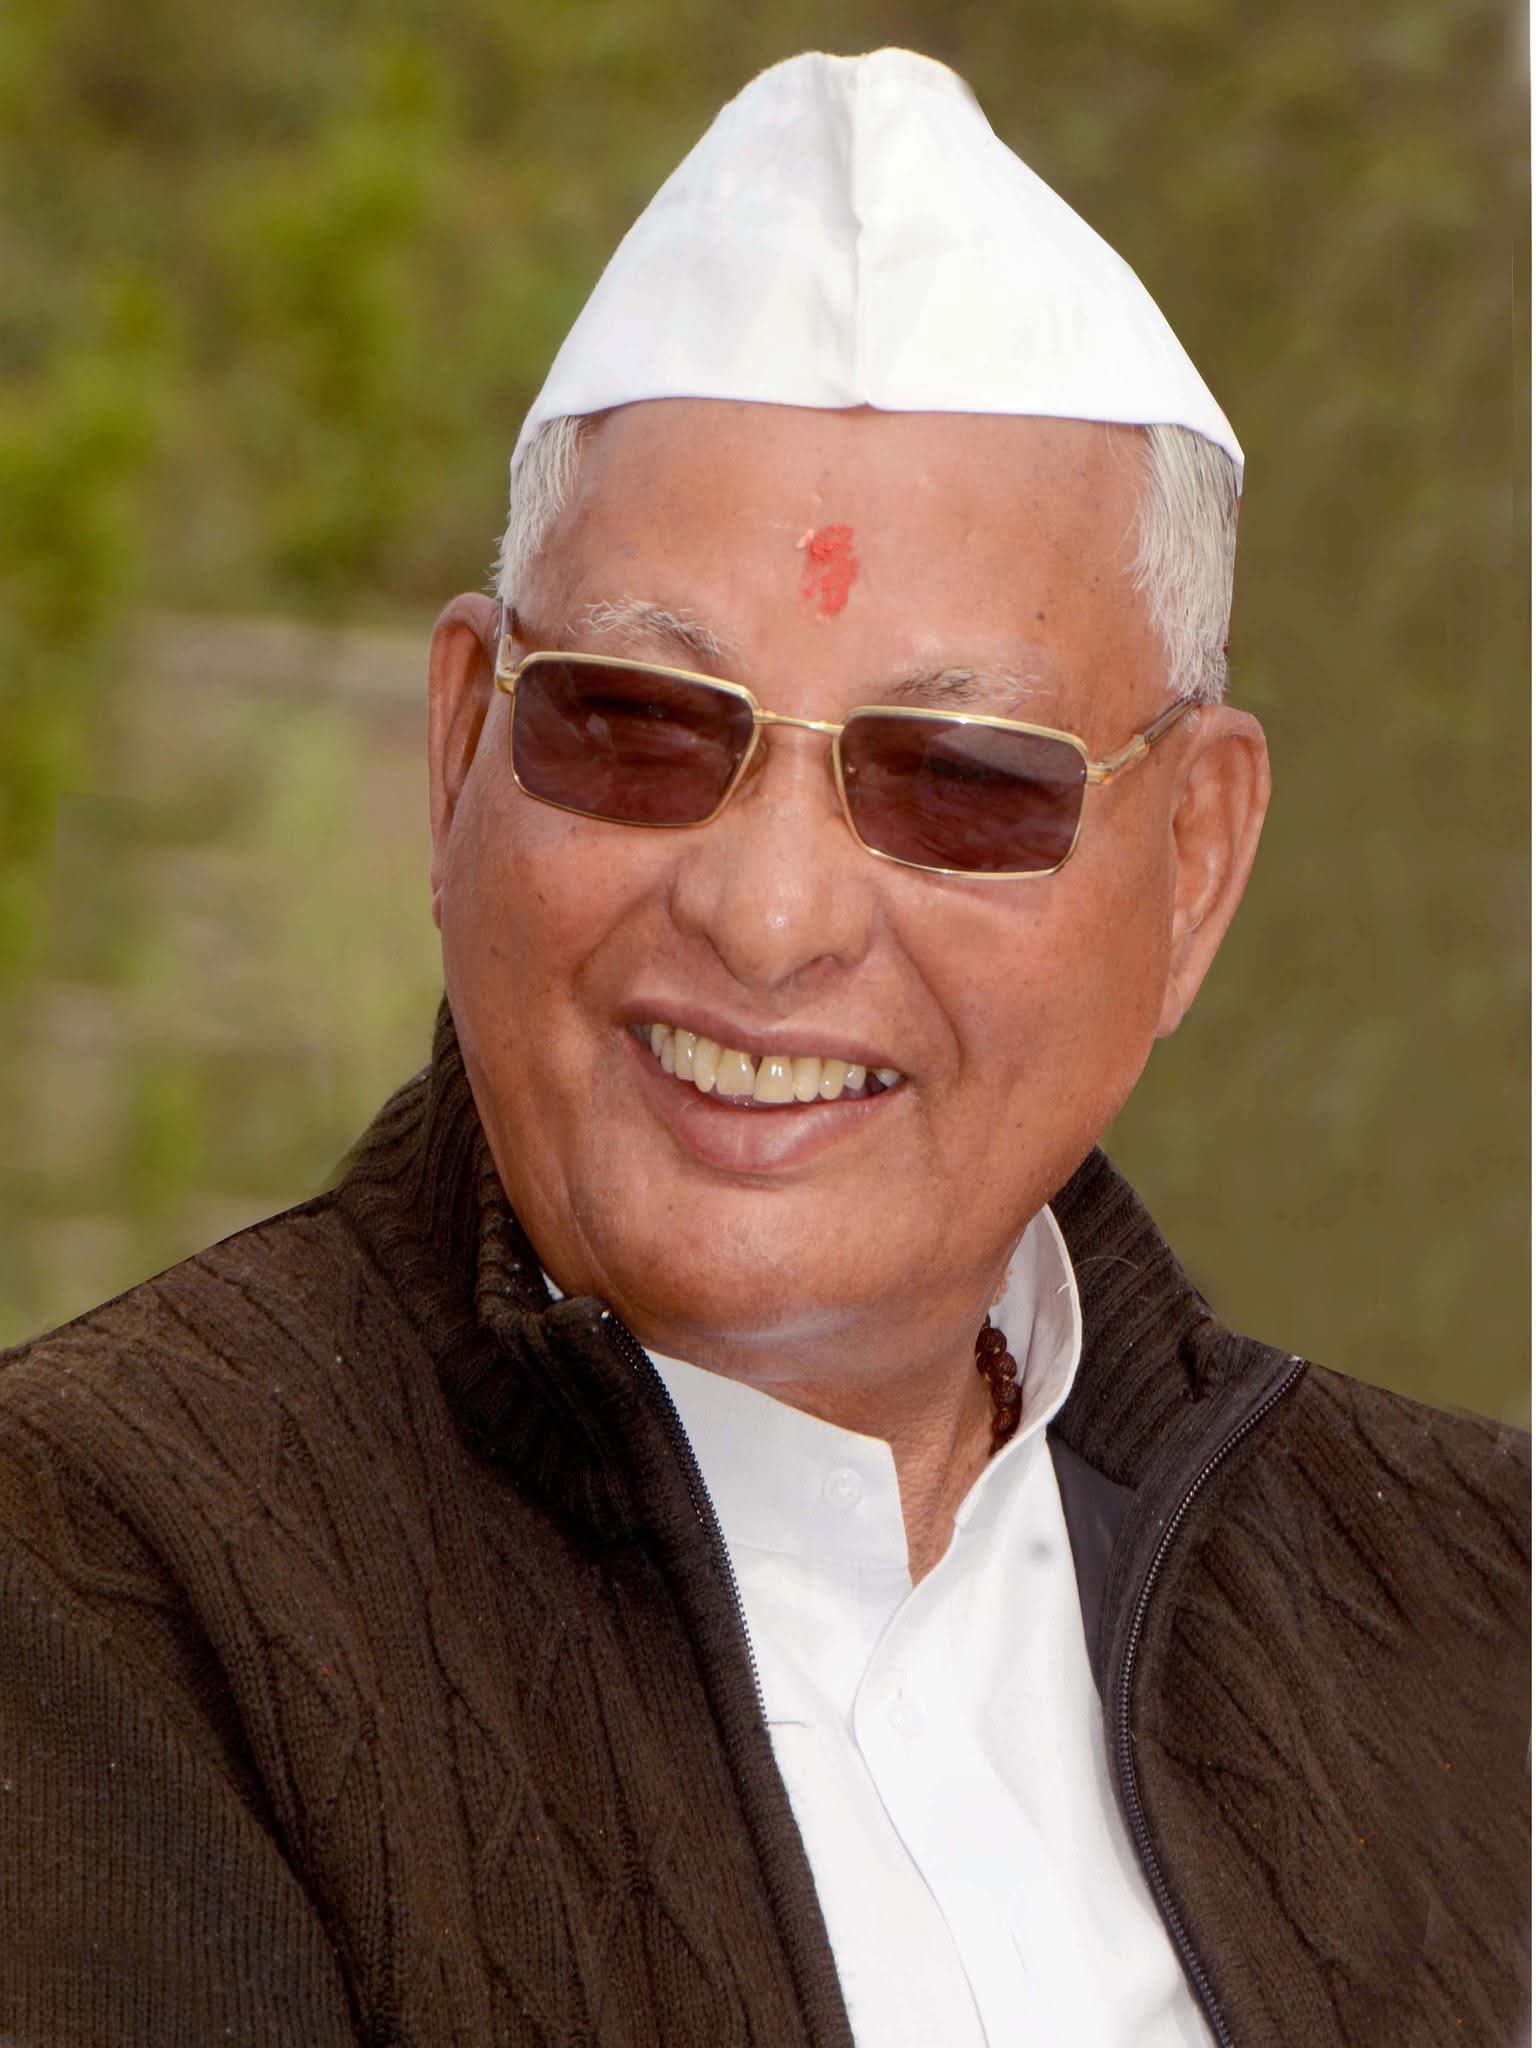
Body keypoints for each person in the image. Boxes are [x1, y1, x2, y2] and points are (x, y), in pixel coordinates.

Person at [0, 47, 1526, 2048]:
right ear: (459, 749)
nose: (771, 912)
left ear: (1195, 866)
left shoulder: (1472, 1599)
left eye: (960, 777)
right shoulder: (104, 1579)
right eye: (637, 726)